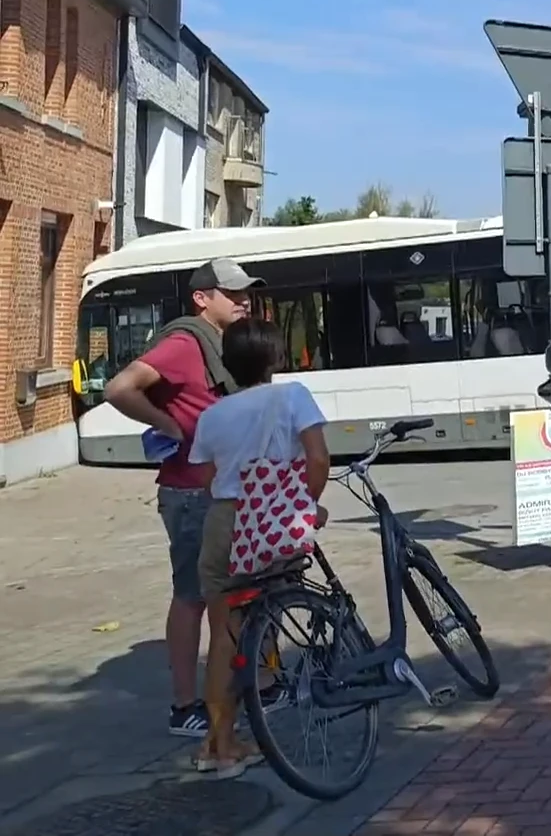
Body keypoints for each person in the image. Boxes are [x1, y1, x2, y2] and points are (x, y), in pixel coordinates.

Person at [103, 258, 263, 737]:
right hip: (191, 493)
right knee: (193, 596)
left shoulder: (224, 346)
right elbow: (118, 388)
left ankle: (247, 687)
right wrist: (166, 424)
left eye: (245, 293)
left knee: (236, 594)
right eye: (232, 293)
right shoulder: (184, 343)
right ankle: (184, 706)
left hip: (225, 488)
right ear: (202, 298)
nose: (243, 301)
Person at [189, 318, 328, 776]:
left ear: (227, 363)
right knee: (269, 611)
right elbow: (318, 457)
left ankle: (219, 746)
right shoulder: (292, 396)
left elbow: (209, 481)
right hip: (272, 521)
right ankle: (251, 714)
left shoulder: (212, 415)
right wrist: (307, 507)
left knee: (224, 634)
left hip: (225, 522)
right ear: (276, 358)